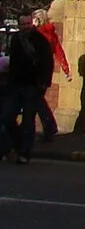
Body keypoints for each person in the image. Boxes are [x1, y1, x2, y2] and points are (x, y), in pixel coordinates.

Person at [3, 18, 53, 164]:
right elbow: (13, 62)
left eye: (27, 24)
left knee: (28, 121)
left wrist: (43, 84)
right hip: (16, 85)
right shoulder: (16, 40)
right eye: (22, 24)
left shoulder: (40, 40)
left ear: (32, 24)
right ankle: (17, 145)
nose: (25, 27)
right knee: (6, 118)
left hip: (33, 86)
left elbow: (47, 62)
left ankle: (24, 152)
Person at [30, 11, 66, 143]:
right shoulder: (51, 34)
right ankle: (45, 128)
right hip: (46, 73)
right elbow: (58, 51)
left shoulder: (39, 35)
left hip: (37, 73)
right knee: (37, 101)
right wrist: (66, 69)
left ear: (39, 20)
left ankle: (48, 127)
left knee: (36, 101)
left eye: (34, 19)